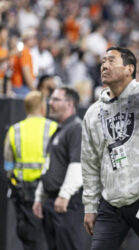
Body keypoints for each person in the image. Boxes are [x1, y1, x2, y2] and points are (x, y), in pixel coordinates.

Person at [81, 46, 139, 249]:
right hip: (111, 201)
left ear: (130, 69)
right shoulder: (93, 112)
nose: (104, 66)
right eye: (102, 62)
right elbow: (89, 162)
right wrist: (90, 206)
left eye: (111, 61)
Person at [32, 86, 88, 250]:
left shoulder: (76, 128)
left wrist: (64, 195)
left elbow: (78, 164)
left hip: (68, 203)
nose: (50, 103)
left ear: (70, 104)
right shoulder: (59, 129)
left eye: (56, 99)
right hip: (52, 201)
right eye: (51, 99)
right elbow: (49, 165)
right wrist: (39, 196)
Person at [3, 91, 57, 250]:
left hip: (24, 193)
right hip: (49, 191)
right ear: (42, 107)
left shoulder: (15, 130)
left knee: (30, 238)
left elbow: (7, 164)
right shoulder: (53, 127)